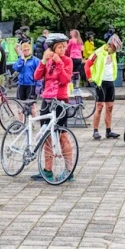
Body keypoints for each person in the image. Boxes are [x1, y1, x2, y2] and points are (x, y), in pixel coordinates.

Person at [33, 33, 74, 182]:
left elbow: (65, 80)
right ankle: (47, 170)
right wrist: (43, 61)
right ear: (52, 48)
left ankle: (69, 170)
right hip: (47, 99)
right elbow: (37, 77)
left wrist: (59, 62)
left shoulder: (67, 61)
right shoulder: (48, 60)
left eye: (64, 46)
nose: (63, 49)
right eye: (59, 47)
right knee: (46, 135)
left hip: (60, 100)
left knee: (62, 135)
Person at [87, 34, 122, 139]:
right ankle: (95, 131)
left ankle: (108, 130)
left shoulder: (113, 54)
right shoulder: (98, 53)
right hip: (101, 82)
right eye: (114, 49)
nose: (114, 52)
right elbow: (87, 64)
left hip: (110, 81)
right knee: (99, 107)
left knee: (110, 107)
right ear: (110, 45)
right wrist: (90, 78)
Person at [12, 42, 41, 115]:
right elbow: (16, 68)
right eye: (24, 50)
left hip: (31, 84)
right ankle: (21, 122)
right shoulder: (20, 59)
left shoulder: (35, 60)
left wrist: (39, 86)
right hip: (21, 84)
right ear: (22, 51)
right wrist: (21, 59)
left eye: (28, 50)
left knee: (31, 105)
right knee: (19, 105)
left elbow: (39, 73)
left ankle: (33, 122)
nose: (26, 51)